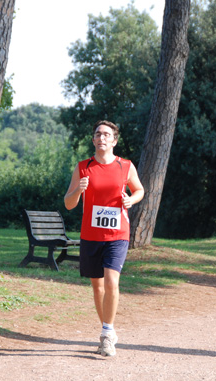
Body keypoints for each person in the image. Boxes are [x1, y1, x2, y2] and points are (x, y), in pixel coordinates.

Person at [64, 120, 144, 357]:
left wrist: (131, 199)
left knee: (111, 282)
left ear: (114, 140)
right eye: (98, 134)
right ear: (93, 140)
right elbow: (68, 204)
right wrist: (79, 189)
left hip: (118, 234)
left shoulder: (125, 166)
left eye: (107, 135)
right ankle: (107, 328)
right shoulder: (83, 168)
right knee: (97, 286)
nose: (102, 138)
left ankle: (106, 335)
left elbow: (139, 190)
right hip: (91, 234)